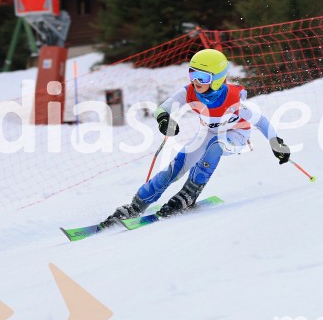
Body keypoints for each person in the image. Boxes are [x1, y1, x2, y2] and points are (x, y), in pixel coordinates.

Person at [102, 48, 290, 227]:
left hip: (235, 134)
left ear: (216, 79)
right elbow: (163, 108)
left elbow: (261, 121)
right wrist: (164, 119)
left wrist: (276, 143)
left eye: (202, 77)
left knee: (216, 147)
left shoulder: (234, 100)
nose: (196, 81)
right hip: (207, 132)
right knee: (174, 168)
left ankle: (188, 195)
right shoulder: (190, 91)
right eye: (193, 74)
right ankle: (137, 205)